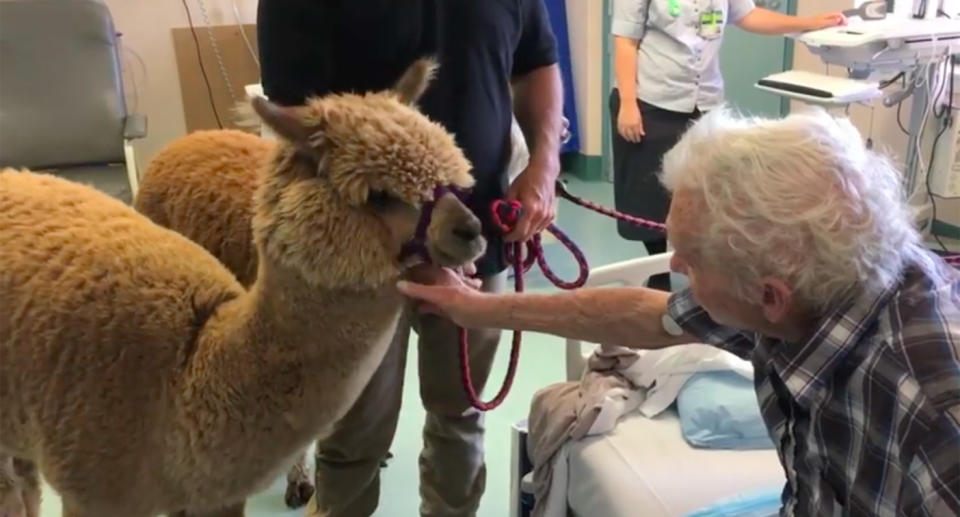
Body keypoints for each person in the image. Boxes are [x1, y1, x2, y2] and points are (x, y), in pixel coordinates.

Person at [399, 108, 960, 516]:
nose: (678, 270)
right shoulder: (822, 277)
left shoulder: (936, 420)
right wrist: (478, 309)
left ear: (769, 295)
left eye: (688, 262)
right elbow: (647, 315)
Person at [257, 1, 564, 515]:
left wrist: (544, 163)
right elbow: (299, 122)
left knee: (460, 417)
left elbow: (536, 63)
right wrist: (417, 247)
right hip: (360, 260)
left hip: (474, 235)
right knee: (353, 435)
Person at [610, 0, 845, 292]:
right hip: (651, 98)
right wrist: (628, 104)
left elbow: (749, 16)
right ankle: (658, 270)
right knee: (648, 196)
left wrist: (807, 23)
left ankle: (696, 267)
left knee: (707, 191)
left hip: (704, 98)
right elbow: (625, 41)